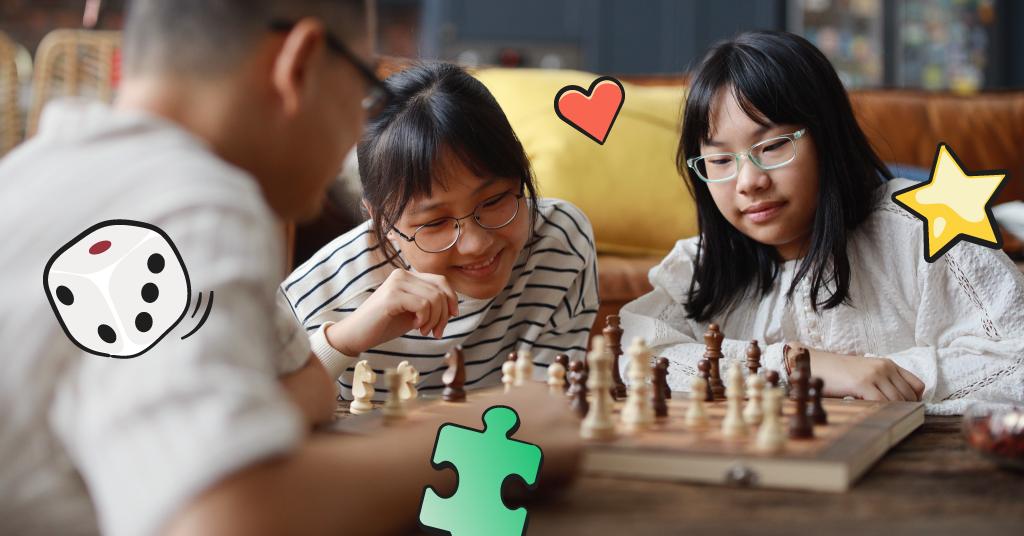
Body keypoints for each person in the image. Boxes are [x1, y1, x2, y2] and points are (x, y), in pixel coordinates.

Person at [0, 2, 581, 535]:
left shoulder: (36, 176)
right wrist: (480, 440)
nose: (360, 131)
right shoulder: (192, 198)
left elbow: (284, 391)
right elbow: (217, 518)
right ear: (299, 64)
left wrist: (341, 343)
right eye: (363, 93)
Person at [620, 30, 1024, 415]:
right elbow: (638, 353)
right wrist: (800, 366)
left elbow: (1016, 359)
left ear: (827, 135)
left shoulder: (924, 224)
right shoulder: (699, 264)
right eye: (721, 160)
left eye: (774, 145)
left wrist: (888, 375)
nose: (748, 183)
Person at [279, 62, 599, 399]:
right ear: (381, 220)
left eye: (494, 201)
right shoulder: (317, 296)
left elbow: (545, 416)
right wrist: (341, 342)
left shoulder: (562, 243)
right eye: (434, 223)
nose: (476, 244)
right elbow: (248, 427)